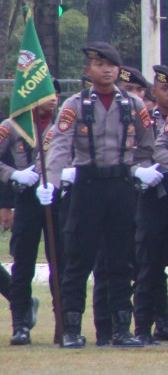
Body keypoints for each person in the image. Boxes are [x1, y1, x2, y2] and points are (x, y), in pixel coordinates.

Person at [42, 42, 157, 349]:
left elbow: (148, 144)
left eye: (111, 65)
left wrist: (133, 165)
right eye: (99, 64)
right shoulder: (75, 105)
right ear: (87, 70)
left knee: (121, 258)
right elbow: (60, 146)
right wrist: (51, 182)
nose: (106, 70)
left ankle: (121, 329)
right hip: (87, 185)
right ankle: (71, 329)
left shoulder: (133, 104)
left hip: (121, 185)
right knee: (78, 258)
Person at [131, 65, 168, 345]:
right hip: (152, 198)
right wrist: (143, 169)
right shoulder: (145, 121)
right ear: (154, 92)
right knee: (148, 266)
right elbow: (134, 152)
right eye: (165, 89)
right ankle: (143, 326)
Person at [0, 90, 57, 345]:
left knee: (61, 262)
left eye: (55, 93)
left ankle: (65, 324)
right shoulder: (13, 125)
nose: (53, 98)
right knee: (23, 263)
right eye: (47, 93)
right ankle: (20, 324)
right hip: (26, 197)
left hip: (56, 197)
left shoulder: (66, 122)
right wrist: (13, 174)